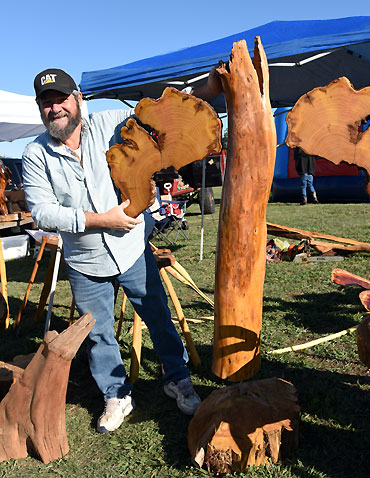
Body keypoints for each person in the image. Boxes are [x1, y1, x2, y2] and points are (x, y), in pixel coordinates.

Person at [22, 68, 222, 434]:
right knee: (97, 333)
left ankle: (176, 379)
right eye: (47, 103)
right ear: (41, 109)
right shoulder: (36, 154)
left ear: (78, 98)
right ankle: (116, 394)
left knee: (158, 317)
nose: (55, 109)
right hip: (85, 260)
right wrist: (102, 220)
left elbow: (163, 108)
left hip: (130, 248)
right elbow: (43, 212)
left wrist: (209, 87)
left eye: (61, 100)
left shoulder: (112, 123)